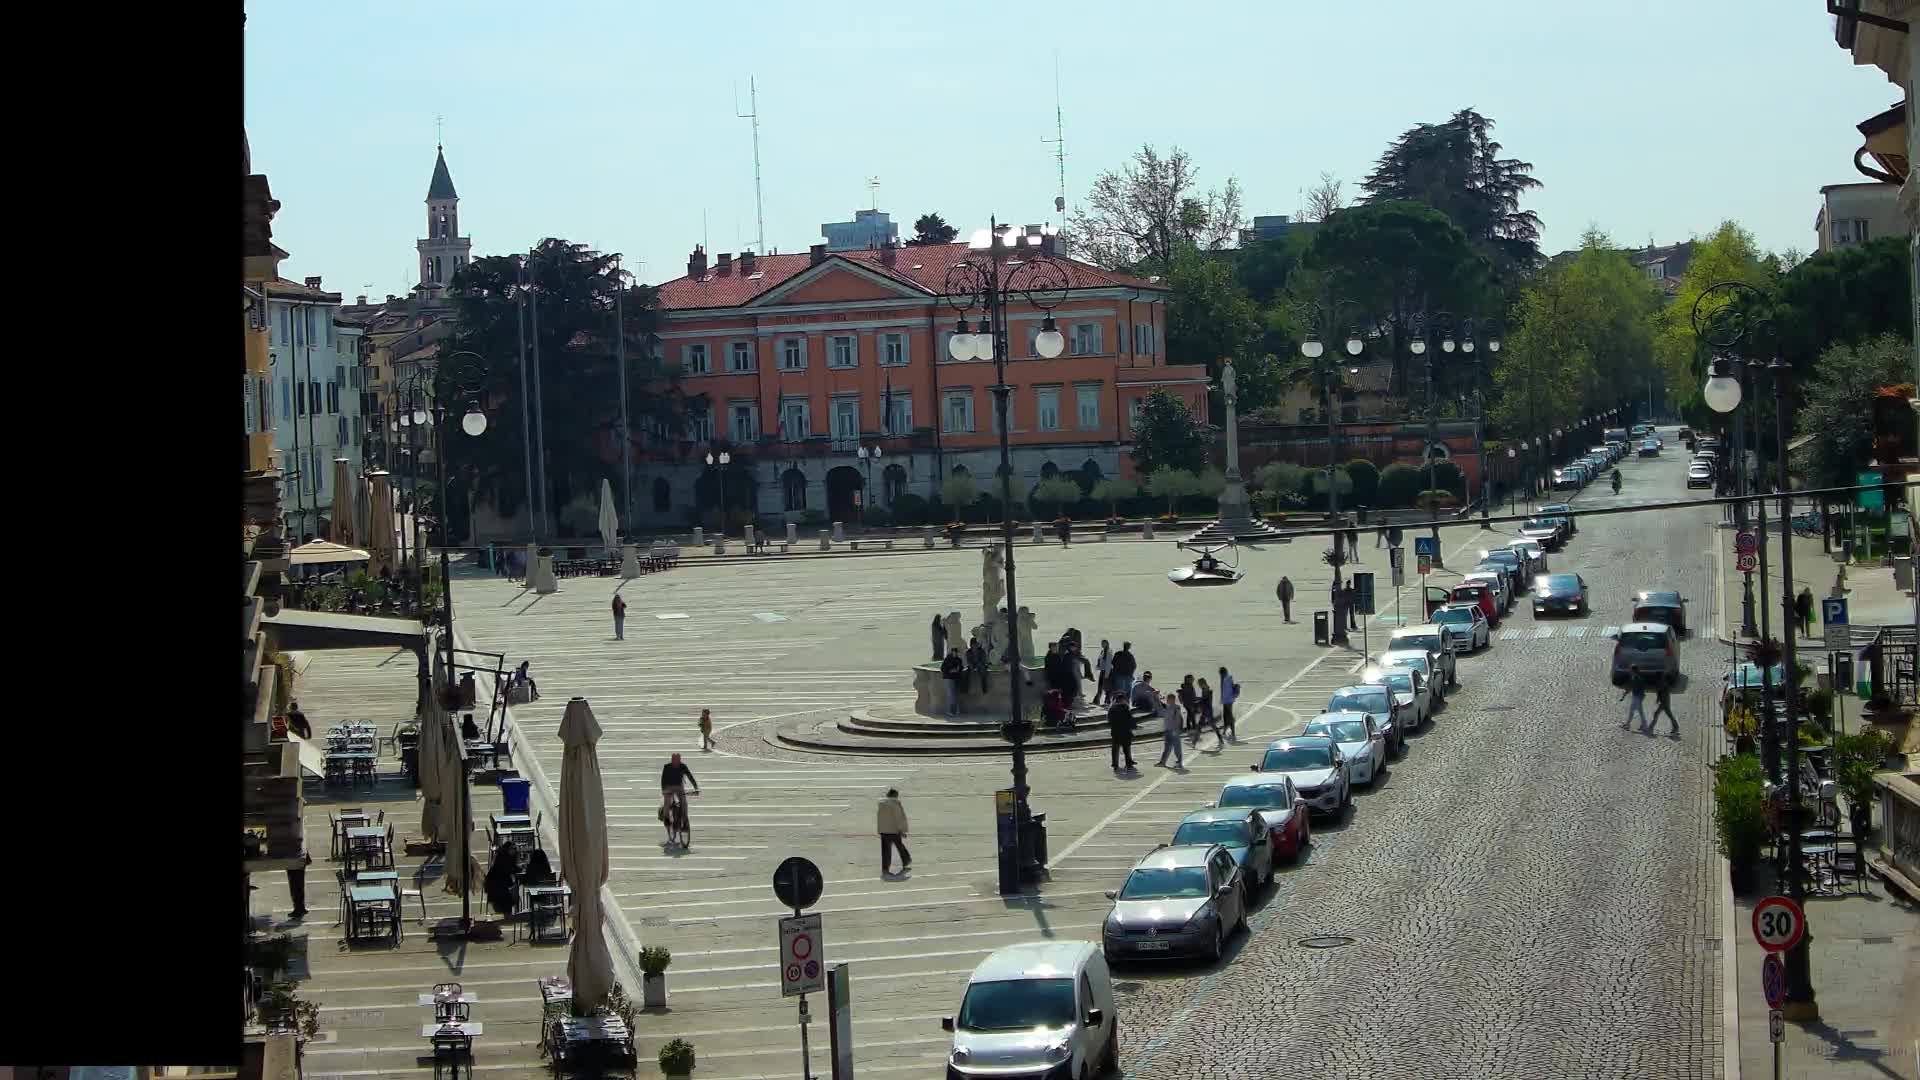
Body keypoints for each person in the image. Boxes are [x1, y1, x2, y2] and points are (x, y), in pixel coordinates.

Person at [877, 788, 912, 876]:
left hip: (883, 830)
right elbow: (898, 818)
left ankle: (885, 869)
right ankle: (906, 860)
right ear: (894, 795)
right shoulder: (895, 804)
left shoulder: (881, 803)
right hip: (893, 830)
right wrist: (901, 830)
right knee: (900, 847)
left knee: (885, 851)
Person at [660, 752, 700, 825]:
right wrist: (664, 790)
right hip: (671, 787)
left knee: (680, 803)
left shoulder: (681, 766)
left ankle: (682, 820)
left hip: (676, 787)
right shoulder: (669, 767)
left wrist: (696, 787)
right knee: (670, 802)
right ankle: (668, 819)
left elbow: (690, 777)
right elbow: (663, 779)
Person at [1155, 686, 1184, 769]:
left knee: (1177, 748)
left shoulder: (1176, 708)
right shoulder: (1168, 707)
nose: (1167, 700)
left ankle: (1179, 762)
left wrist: (1176, 729)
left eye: (1168, 699)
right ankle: (1162, 762)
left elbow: (1178, 719)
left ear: (1172, 699)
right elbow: (1160, 708)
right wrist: (1157, 697)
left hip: (1174, 730)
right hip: (1168, 730)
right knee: (1167, 747)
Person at [1107, 695, 1137, 772]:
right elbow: (1130, 719)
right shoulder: (1125, 708)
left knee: (1115, 749)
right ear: (1122, 700)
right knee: (1126, 748)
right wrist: (1133, 726)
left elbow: (1109, 721)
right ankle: (1128, 763)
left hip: (1115, 731)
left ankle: (1115, 764)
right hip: (1125, 731)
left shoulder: (1111, 709)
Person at [1192, 676, 1220, 749]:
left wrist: (1197, 700)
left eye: (1199, 684)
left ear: (1203, 683)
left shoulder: (1206, 690)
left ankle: (1194, 742)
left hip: (1207, 710)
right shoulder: (1205, 689)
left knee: (1203, 725)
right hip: (1207, 710)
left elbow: (1205, 700)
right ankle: (1194, 742)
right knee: (1206, 725)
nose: (1199, 686)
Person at [941, 647, 966, 716]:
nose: (955, 653)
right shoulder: (947, 660)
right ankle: (950, 711)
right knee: (951, 695)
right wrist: (951, 670)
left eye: (956, 652)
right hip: (949, 678)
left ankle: (956, 710)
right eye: (954, 652)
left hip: (956, 678)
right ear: (951, 652)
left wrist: (958, 669)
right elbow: (943, 669)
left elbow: (961, 667)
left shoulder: (959, 660)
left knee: (956, 695)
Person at [1217, 666, 1240, 742]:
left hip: (1228, 700)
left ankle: (1233, 733)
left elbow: (1231, 687)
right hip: (1226, 700)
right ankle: (1225, 731)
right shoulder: (1224, 678)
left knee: (1229, 716)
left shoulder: (1228, 678)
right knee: (1226, 716)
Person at [1094, 639, 1114, 705]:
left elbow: (1108, 663)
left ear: (1107, 644)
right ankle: (1097, 700)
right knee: (1100, 686)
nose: (1102, 645)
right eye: (1102, 643)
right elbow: (1100, 661)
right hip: (1103, 671)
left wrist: (1106, 674)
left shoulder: (1109, 651)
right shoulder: (1103, 651)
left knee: (1107, 687)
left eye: (1104, 643)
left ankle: (1107, 701)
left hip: (1107, 671)